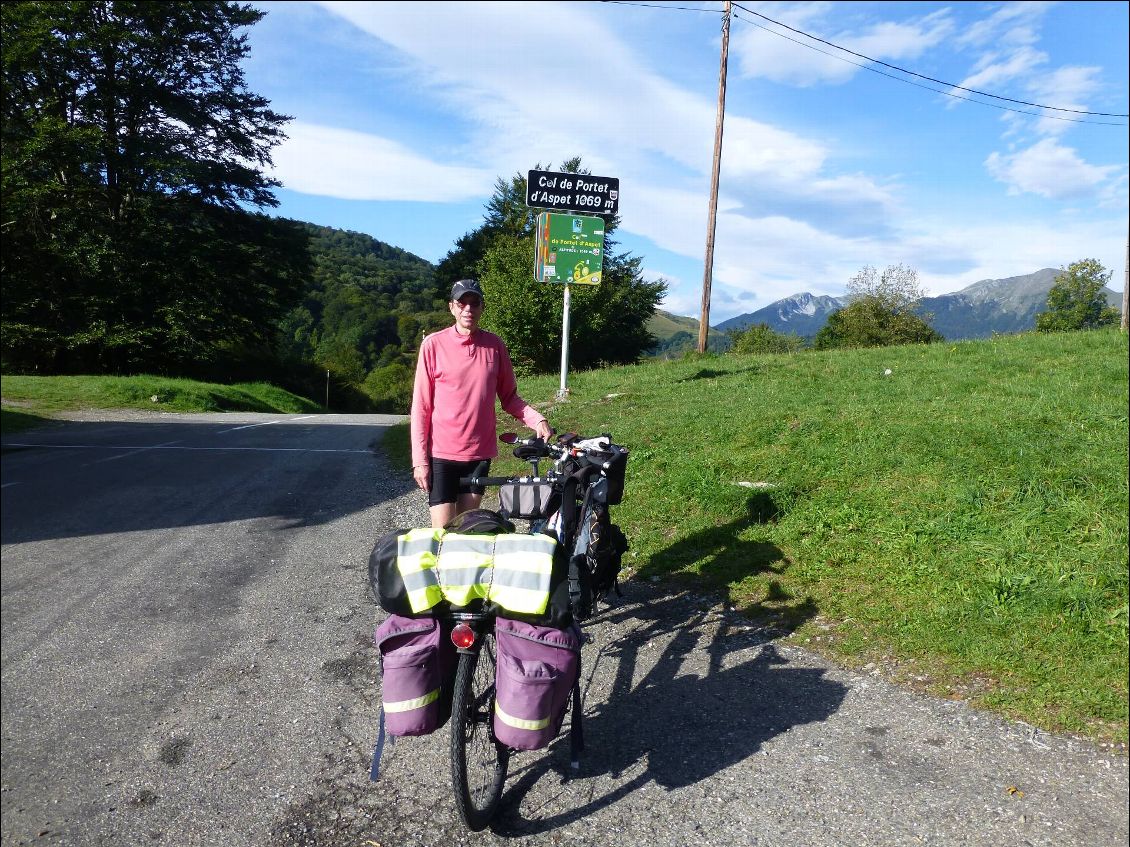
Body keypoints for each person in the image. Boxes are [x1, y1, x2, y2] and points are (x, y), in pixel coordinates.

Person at [410, 278, 552, 528]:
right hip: (441, 453)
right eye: (462, 303)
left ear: (481, 307)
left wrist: (536, 418)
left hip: (478, 455)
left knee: (465, 530)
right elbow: (421, 407)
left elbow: (509, 397)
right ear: (452, 307)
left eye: (474, 302)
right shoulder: (433, 345)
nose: (468, 309)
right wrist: (420, 461)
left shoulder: (495, 346)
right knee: (442, 534)